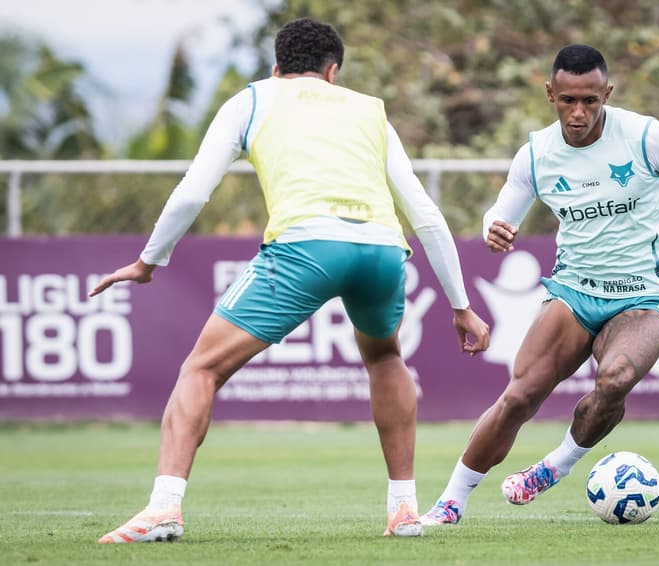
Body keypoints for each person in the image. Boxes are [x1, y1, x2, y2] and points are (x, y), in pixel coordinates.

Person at [91, 17, 490, 543]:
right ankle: (404, 510)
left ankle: (164, 507)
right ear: (333, 72)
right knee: (386, 358)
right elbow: (426, 214)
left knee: (202, 368)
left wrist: (148, 261)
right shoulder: (369, 110)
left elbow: (192, 193)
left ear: (276, 67)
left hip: (306, 248)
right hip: (382, 250)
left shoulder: (252, 99)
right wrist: (460, 304)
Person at [421, 44, 659, 526]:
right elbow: (502, 210)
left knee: (616, 380)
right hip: (575, 290)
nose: (579, 112)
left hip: (645, 292)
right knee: (519, 397)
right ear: (550, 94)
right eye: (568, 100)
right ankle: (451, 501)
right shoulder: (537, 154)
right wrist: (494, 226)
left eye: (591, 100)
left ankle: (556, 465)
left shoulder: (646, 137)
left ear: (607, 93)